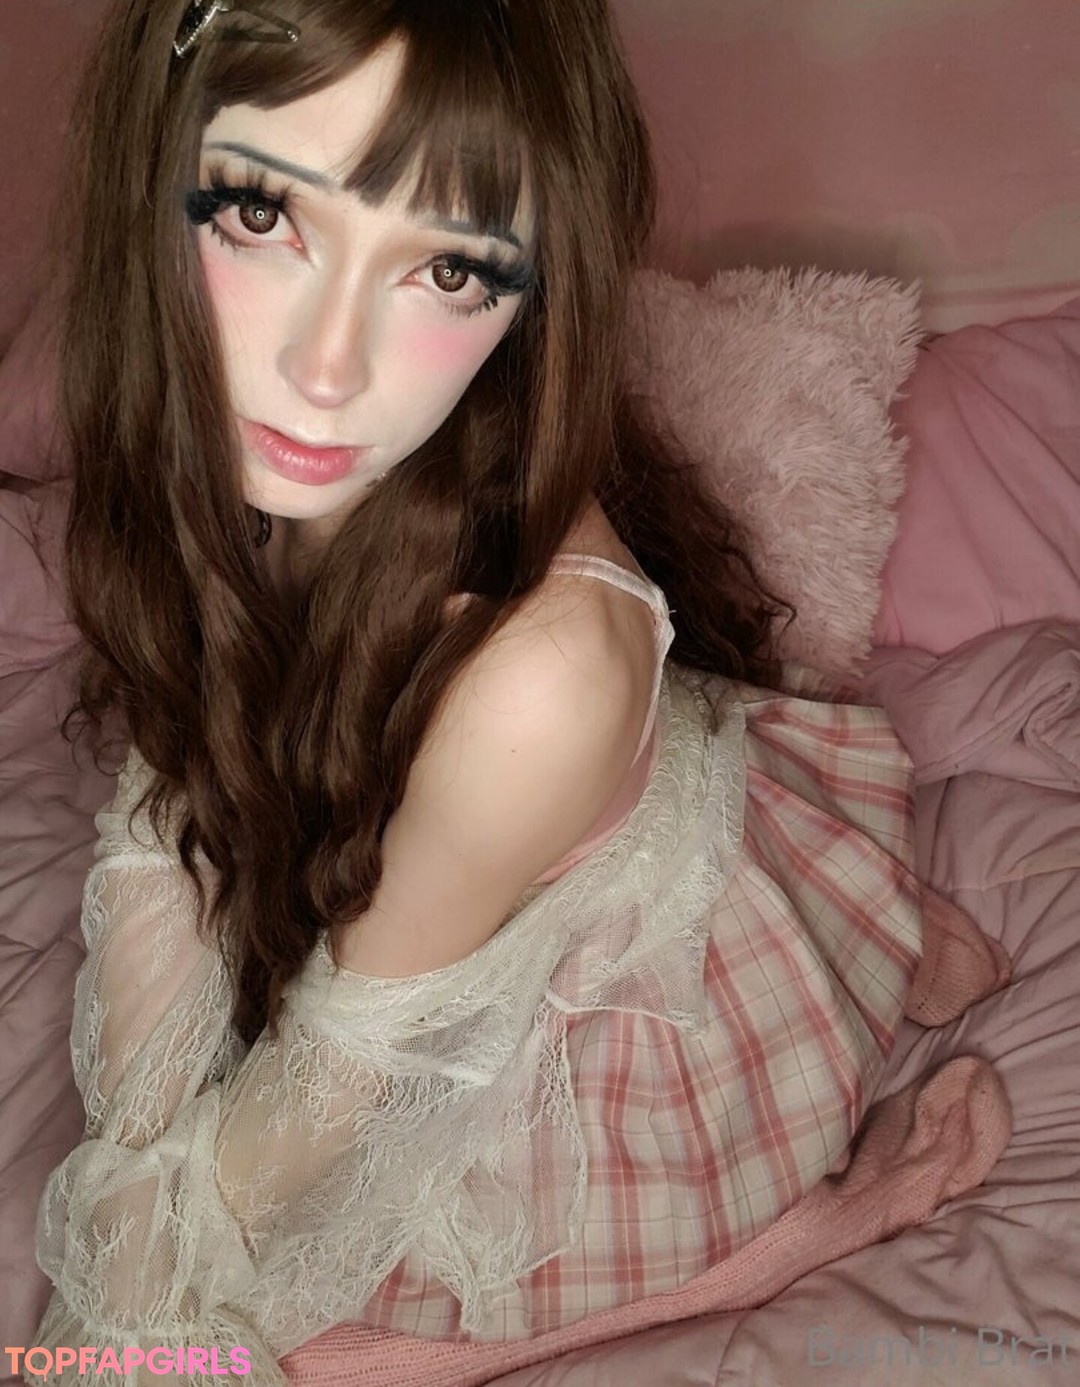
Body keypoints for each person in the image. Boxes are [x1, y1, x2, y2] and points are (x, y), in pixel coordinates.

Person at [28, 0, 1012, 1382]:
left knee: (259, 1347)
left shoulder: (542, 672)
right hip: (451, 852)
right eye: (262, 214)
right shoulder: (222, 451)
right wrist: (128, 1162)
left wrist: (138, 1265)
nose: (326, 370)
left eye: (448, 270)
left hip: (570, 975)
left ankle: (796, 1212)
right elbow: (173, 787)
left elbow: (348, 1072)